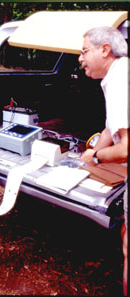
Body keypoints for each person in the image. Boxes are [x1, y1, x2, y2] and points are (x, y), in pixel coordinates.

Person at [78, 26, 128, 296]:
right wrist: (90, 155)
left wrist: (96, 156)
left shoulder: (120, 79)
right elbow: (111, 129)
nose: (80, 58)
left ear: (105, 50)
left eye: (84, 51)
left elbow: (125, 149)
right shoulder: (118, 73)